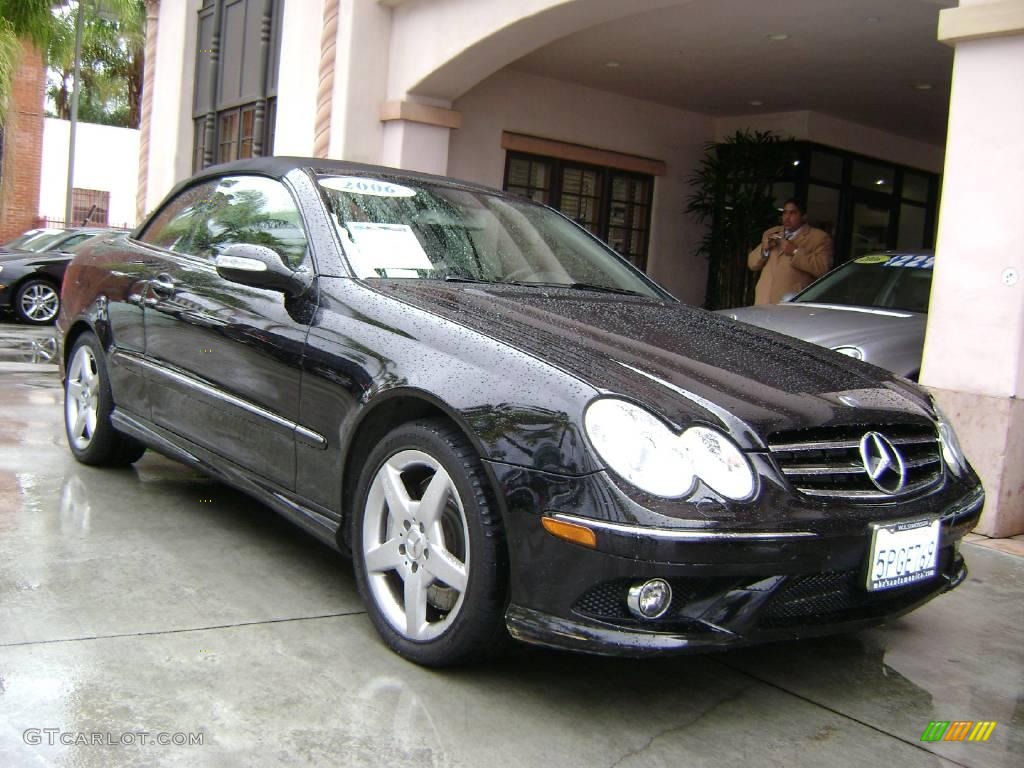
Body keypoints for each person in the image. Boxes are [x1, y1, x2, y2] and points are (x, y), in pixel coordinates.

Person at [747, 198, 833, 305]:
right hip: (763, 300)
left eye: (792, 213)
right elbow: (752, 264)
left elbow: (822, 268)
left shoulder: (818, 237)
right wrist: (764, 249)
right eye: (785, 213)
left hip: (791, 303)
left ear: (804, 217)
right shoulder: (772, 233)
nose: (787, 217)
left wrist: (795, 251)